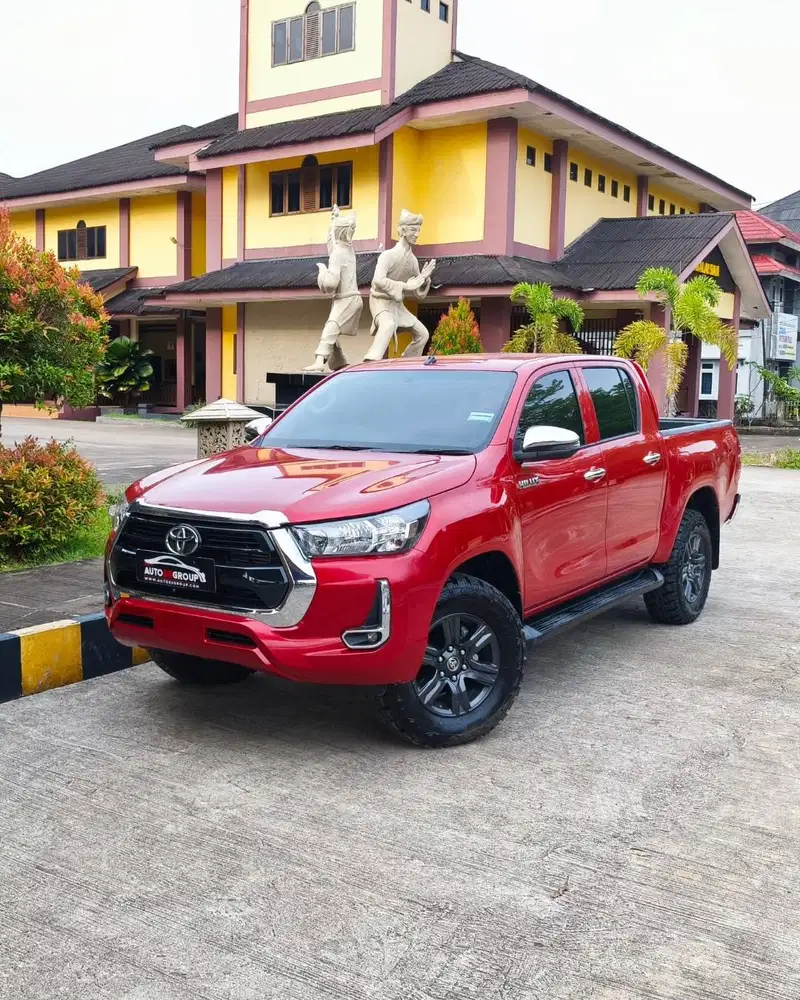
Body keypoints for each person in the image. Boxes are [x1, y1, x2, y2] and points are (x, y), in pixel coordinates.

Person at [365, 209, 436, 363]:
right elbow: (378, 281)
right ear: (403, 230)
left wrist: (424, 278)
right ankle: (371, 361)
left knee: (423, 334)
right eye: (413, 230)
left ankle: (408, 362)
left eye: (418, 231)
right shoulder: (388, 256)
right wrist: (405, 286)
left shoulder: (413, 261)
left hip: (397, 305)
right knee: (388, 324)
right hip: (380, 301)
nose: (416, 234)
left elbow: (417, 292)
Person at [304, 206, 363, 373]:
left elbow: (330, 284)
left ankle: (319, 361)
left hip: (346, 299)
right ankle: (339, 361)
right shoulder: (349, 250)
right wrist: (333, 221)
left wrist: (322, 271)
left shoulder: (339, 254)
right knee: (334, 330)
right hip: (351, 298)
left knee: (331, 326)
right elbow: (332, 245)